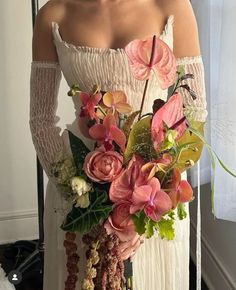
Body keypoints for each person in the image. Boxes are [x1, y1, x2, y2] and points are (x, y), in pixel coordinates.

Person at [29, 0, 207, 289]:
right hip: (78, 184)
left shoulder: (172, 6)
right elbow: (40, 119)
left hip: (154, 186)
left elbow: (194, 113)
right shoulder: (53, 14)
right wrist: (82, 197)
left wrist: (145, 202)